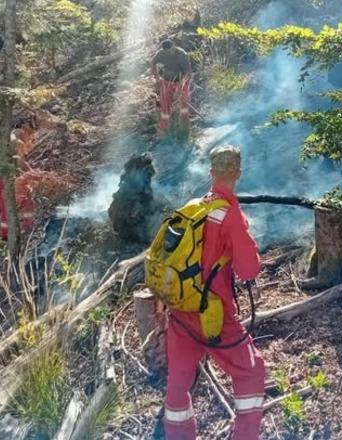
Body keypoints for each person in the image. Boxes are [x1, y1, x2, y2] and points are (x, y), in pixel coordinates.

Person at [164, 145, 265, 440]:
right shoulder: (230, 216)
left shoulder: (192, 208)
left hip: (180, 308)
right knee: (251, 371)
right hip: (213, 313)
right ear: (238, 174)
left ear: (211, 173)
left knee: (179, 377)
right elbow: (249, 270)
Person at [0, 127, 36, 239]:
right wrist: (31, 173)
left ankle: (5, 233)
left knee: (3, 206)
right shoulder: (16, 142)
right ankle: (28, 227)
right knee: (26, 201)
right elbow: (20, 162)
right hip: (10, 178)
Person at [151, 39, 192, 134]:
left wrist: (180, 88)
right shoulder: (160, 54)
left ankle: (185, 128)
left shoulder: (182, 55)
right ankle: (164, 128)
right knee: (165, 104)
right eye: (167, 52)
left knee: (184, 104)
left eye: (171, 50)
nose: (169, 53)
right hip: (166, 81)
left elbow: (188, 73)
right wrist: (157, 78)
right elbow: (153, 63)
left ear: (174, 46)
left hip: (181, 81)